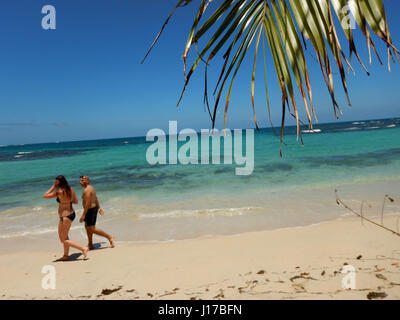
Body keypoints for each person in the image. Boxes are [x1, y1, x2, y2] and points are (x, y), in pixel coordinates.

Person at [43, 175, 89, 261]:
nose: (55, 183)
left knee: (63, 239)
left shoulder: (58, 191)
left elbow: (45, 195)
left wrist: (53, 187)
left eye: (55, 182)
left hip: (66, 216)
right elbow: (75, 201)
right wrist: (67, 201)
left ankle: (83, 249)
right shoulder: (70, 189)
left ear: (58, 182)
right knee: (64, 237)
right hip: (68, 214)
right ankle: (65, 255)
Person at [79, 175, 115, 249]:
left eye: (83, 180)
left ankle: (109, 237)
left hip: (90, 210)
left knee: (92, 229)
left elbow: (88, 203)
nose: (82, 181)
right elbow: (95, 198)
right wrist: (99, 207)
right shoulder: (90, 188)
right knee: (86, 226)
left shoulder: (87, 190)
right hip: (91, 210)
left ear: (88, 180)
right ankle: (90, 244)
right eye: (81, 180)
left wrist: (83, 215)